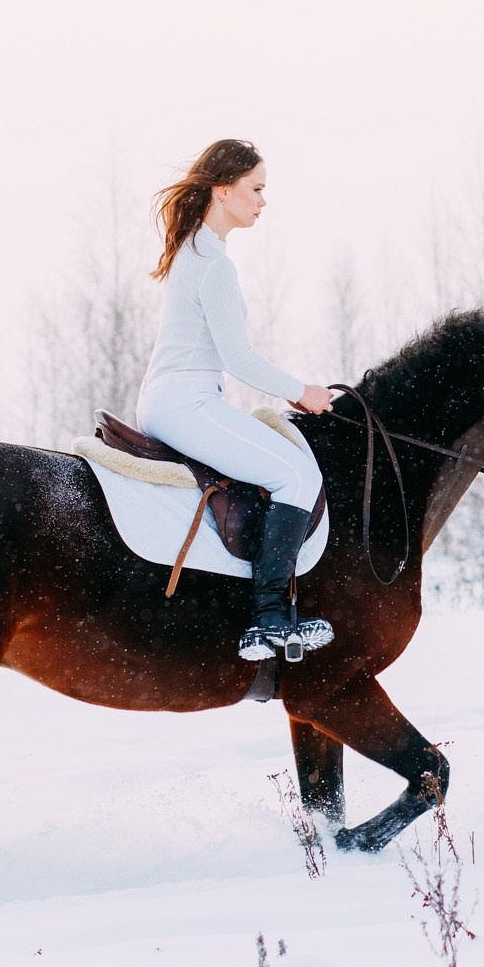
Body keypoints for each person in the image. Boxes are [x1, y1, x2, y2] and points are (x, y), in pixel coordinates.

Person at [136, 139, 339, 662]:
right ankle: (269, 618)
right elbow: (239, 358)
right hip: (187, 401)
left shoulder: (197, 250)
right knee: (297, 475)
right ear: (222, 191)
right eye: (256, 189)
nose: (263, 201)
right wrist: (304, 392)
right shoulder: (213, 264)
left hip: (174, 397)